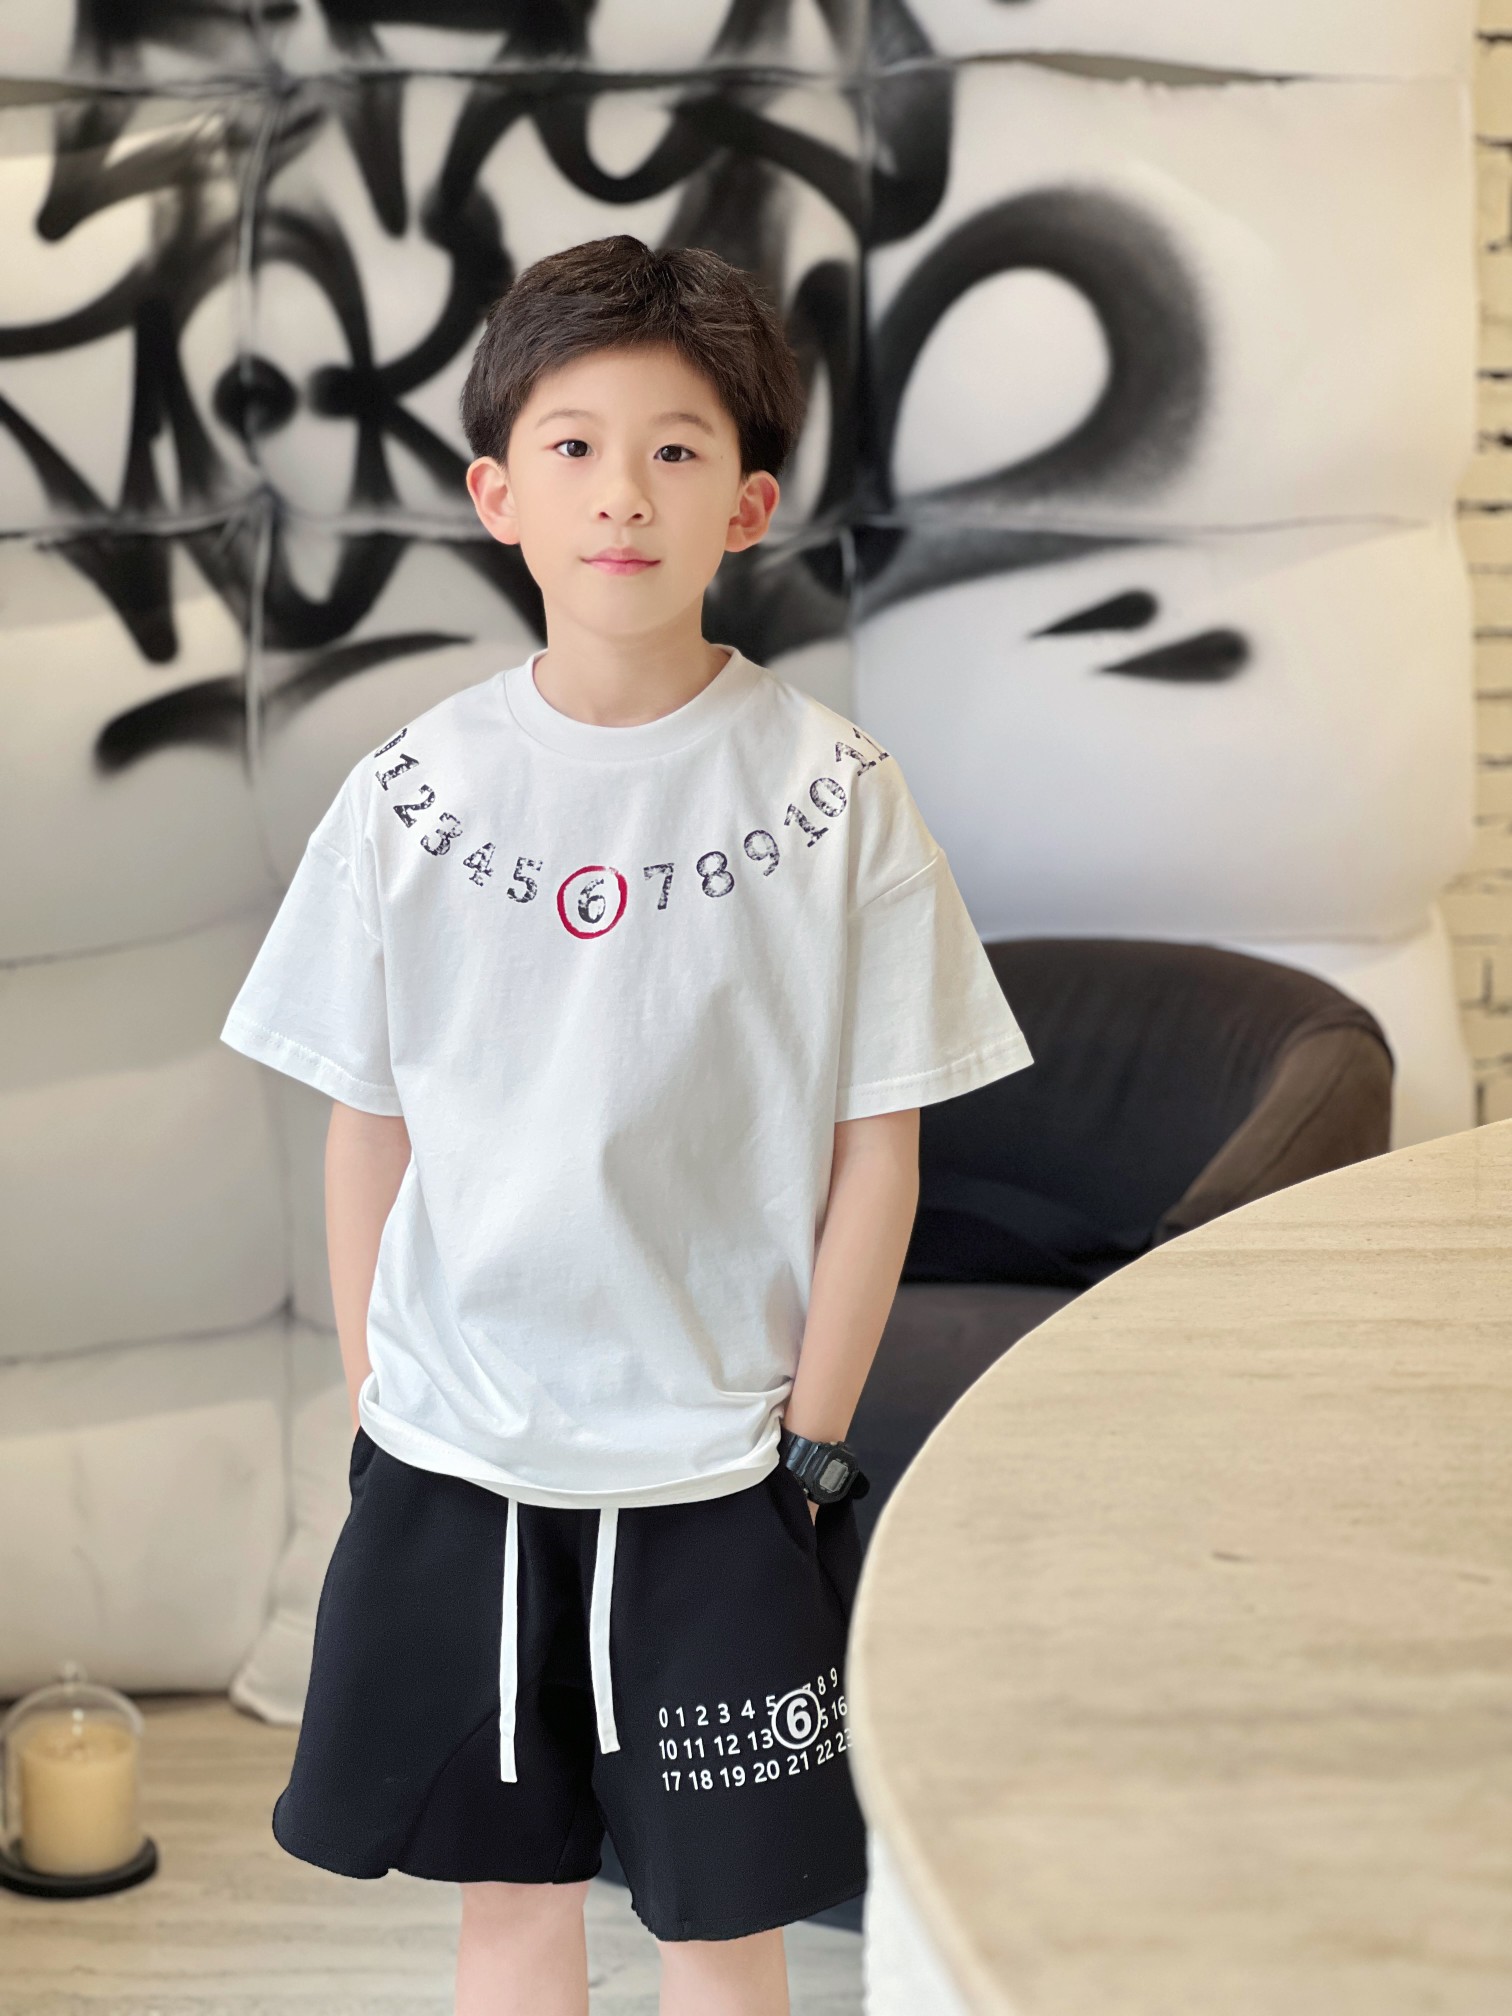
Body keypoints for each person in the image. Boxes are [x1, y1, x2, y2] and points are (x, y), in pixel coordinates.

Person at [219, 233, 1034, 2016]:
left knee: (721, 1929)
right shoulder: (411, 794)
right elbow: (368, 1127)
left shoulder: (837, 796)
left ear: (745, 506)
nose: (621, 494)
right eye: (574, 447)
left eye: (675, 449)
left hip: (725, 1475)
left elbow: (878, 1153)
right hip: (459, 1459)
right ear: (496, 495)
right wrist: (374, 1403)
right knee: (508, 1913)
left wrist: (811, 1449)